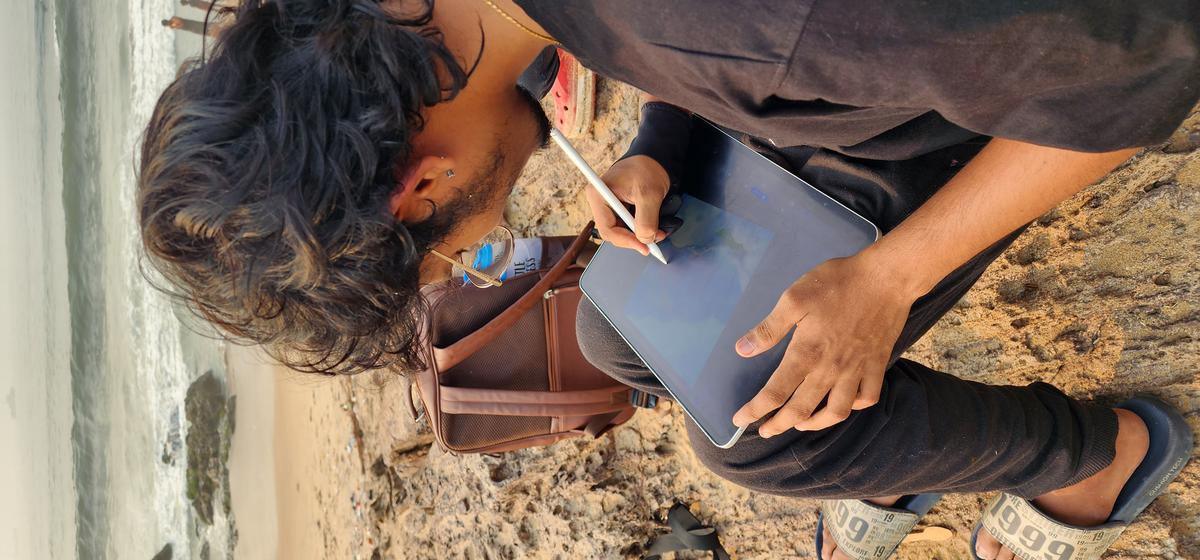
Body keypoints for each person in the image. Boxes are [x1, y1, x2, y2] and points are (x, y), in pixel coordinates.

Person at [135, 2, 1198, 559]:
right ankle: (906, 446)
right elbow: (728, 43)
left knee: (760, 434)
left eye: (448, 253)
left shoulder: (750, 29)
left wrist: (886, 277)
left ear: (419, 183)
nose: (478, 247)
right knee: (615, 329)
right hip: (800, 105)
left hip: (913, 143)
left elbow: (1151, 64)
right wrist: (664, 131)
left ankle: (1096, 458)